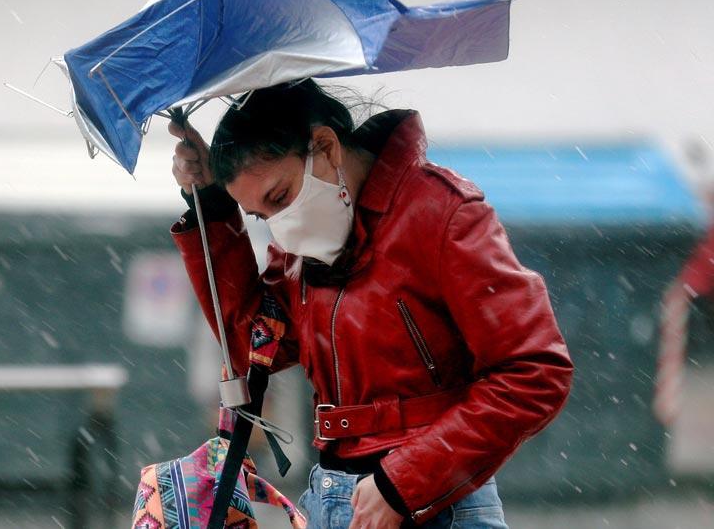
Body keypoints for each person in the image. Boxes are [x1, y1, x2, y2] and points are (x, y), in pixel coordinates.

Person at [167, 80, 573, 529]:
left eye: (280, 197)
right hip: (332, 498)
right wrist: (210, 205)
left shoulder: (442, 212)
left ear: (325, 146)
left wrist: (405, 482)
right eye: (262, 216)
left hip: (435, 508)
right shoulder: (304, 244)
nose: (279, 227)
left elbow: (535, 370)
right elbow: (254, 346)